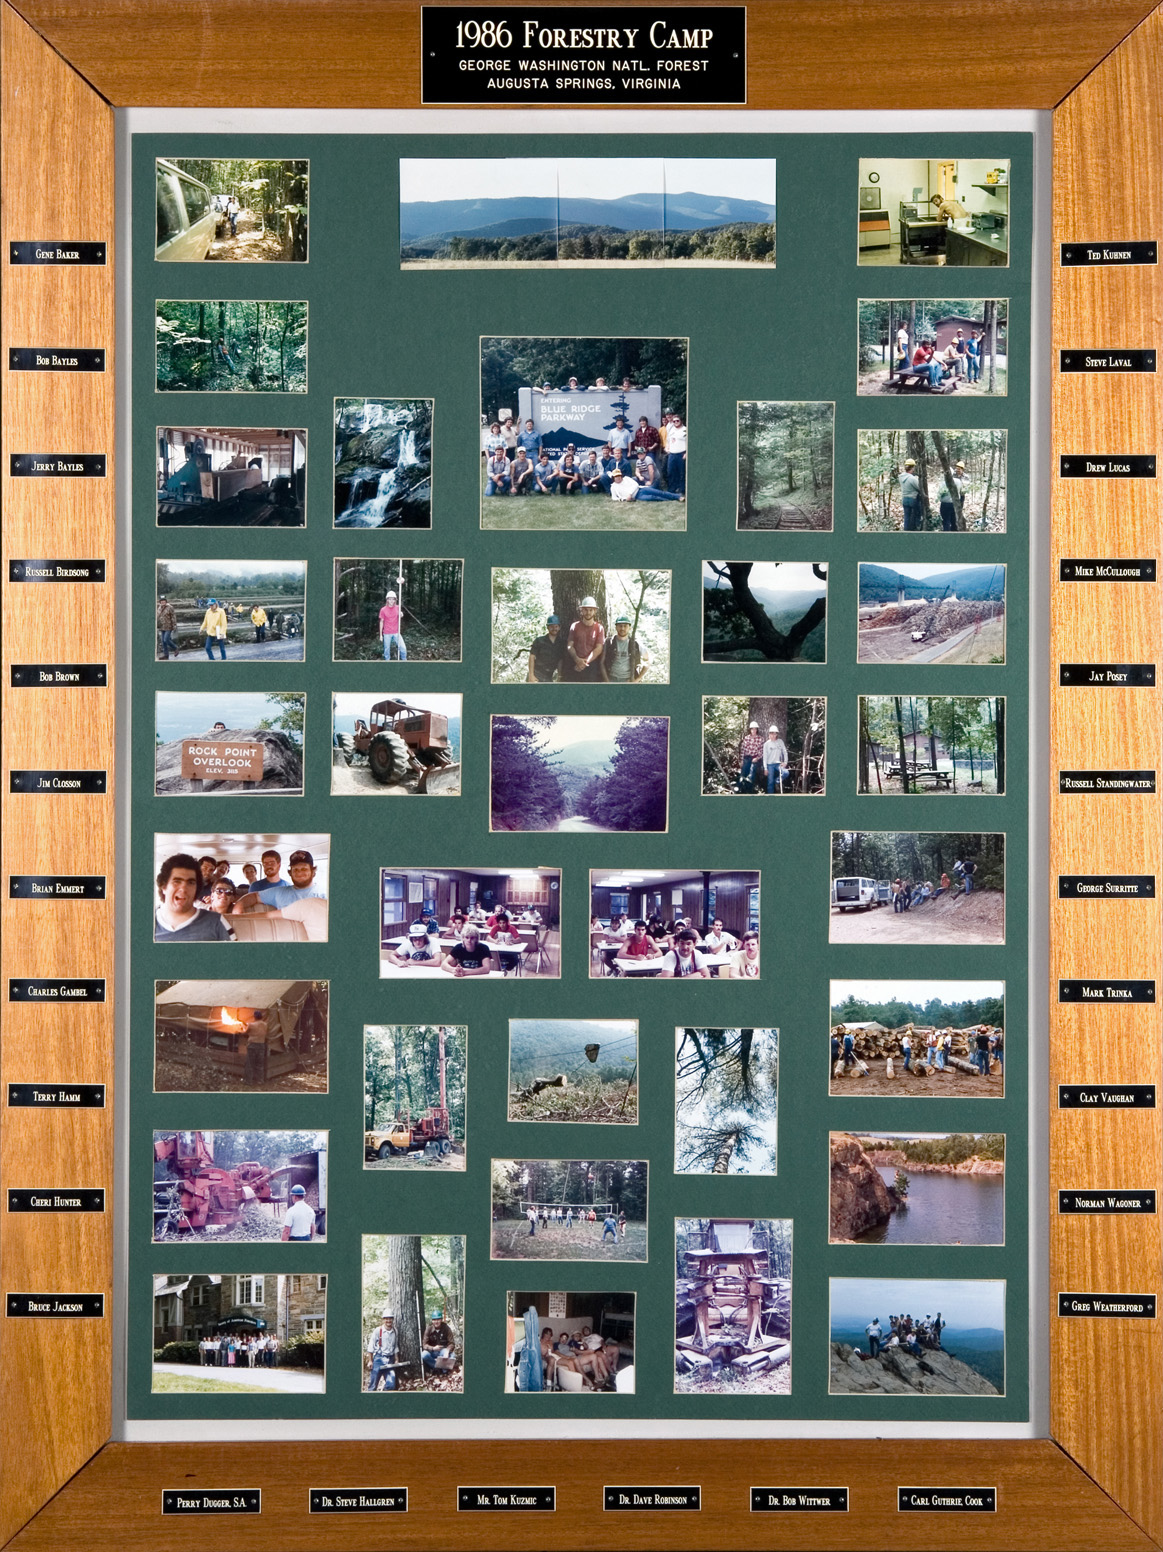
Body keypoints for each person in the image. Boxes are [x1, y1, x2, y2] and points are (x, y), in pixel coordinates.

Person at [154, 853, 235, 942]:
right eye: (176, 881)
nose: (183, 889)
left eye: (191, 883)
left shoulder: (217, 921)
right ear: (164, 887)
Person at [600, 613, 648, 683]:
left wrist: (636, 680)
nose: (622, 628)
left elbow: (647, 662)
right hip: (611, 678)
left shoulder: (635, 643)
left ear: (629, 628)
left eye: (625, 626)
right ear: (616, 627)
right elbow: (602, 663)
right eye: (620, 626)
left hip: (628, 680)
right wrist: (607, 681)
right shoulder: (609, 642)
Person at [566, 597, 605, 680]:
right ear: (582, 610)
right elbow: (570, 646)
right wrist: (577, 660)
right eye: (586, 610)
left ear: (595, 611)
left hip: (592, 667)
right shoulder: (575, 626)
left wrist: (585, 662)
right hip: (575, 664)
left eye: (591, 610)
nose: (588, 612)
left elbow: (599, 648)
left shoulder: (599, 628)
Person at [609, 467, 682, 504]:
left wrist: (630, 494)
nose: (618, 478)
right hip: (637, 497)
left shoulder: (626, 478)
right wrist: (624, 499)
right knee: (652, 497)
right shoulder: (613, 487)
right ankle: (670, 500)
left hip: (641, 489)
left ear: (621, 475)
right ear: (613, 478)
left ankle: (677, 496)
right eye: (616, 476)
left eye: (619, 476)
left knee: (659, 492)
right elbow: (614, 498)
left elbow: (636, 485)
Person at [367, 1309, 399, 1391]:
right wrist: (370, 1361)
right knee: (373, 1385)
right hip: (378, 1359)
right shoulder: (378, 1331)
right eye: (386, 1318)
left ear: (392, 1319)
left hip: (390, 1360)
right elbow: (371, 1347)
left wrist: (396, 1359)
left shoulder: (395, 1331)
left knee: (391, 1385)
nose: (388, 1321)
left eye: (390, 1318)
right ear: (383, 1319)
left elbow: (395, 1347)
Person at [378, 587, 407, 662]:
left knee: (403, 648)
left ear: (395, 600)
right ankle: (388, 664)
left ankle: (405, 662)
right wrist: (381, 635)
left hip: (396, 632)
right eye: (389, 599)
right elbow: (381, 622)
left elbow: (401, 615)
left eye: (393, 599)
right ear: (387, 600)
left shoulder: (398, 607)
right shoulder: (383, 610)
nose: (391, 601)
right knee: (386, 651)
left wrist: (401, 614)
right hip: (387, 633)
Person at [664, 413, 687, 497]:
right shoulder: (671, 430)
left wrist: (686, 453)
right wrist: (667, 448)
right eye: (674, 421)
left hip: (681, 454)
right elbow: (668, 441)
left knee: (681, 473)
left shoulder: (685, 429)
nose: (676, 422)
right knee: (670, 472)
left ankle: (682, 490)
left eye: (677, 420)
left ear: (681, 421)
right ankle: (672, 489)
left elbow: (690, 443)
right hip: (672, 454)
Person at [763, 724, 789, 793]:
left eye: (775, 734)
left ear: (777, 734)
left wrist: (785, 762)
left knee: (786, 772)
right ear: (769, 734)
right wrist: (765, 768)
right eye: (772, 734)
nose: (773, 736)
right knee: (770, 782)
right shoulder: (766, 744)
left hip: (778, 764)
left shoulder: (780, 742)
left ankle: (776, 781)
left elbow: (785, 752)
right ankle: (770, 798)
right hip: (770, 765)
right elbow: (765, 757)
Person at [940, 461, 967, 531]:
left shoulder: (964, 477)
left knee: (949, 520)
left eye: (959, 469)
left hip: (956, 499)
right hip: (953, 501)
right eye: (957, 468)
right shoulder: (956, 479)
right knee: (953, 519)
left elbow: (964, 489)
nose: (957, 470)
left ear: (962, 469)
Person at [739, 720, 764, 789]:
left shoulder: (760, 739)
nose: (753, 730)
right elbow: (743, 750)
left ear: (757, 729)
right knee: (743, 772)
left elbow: (761, 751)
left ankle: (750, 790)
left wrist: (757, 758)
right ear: (750, 729)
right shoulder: (746, 738)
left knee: (752, 774)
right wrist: (741, 760)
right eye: (752, 729)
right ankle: (740, 789)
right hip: (746, 757)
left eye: (755, 728)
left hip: (755, 758)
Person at [900, 458, 923, 531]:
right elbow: (919, 488)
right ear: (912, 468)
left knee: (907, 516)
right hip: (912, 499)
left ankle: (906, 532)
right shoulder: (912, 478)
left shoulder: (901, 477)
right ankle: (915, 530)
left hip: (904, 499)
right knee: (916, 515)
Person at [157, 595, 177, 659]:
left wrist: (174, 626)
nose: (163, 602)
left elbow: (173, 617)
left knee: (166, 640)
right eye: (161, 601)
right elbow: (158, 617)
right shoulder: (159, 608)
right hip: (162, 627)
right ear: (160, 602)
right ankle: (166, 655)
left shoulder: (170, 607)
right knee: (163, 642)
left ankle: (175, 648)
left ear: (166, 601)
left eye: (164, 601)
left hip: (169, 626)